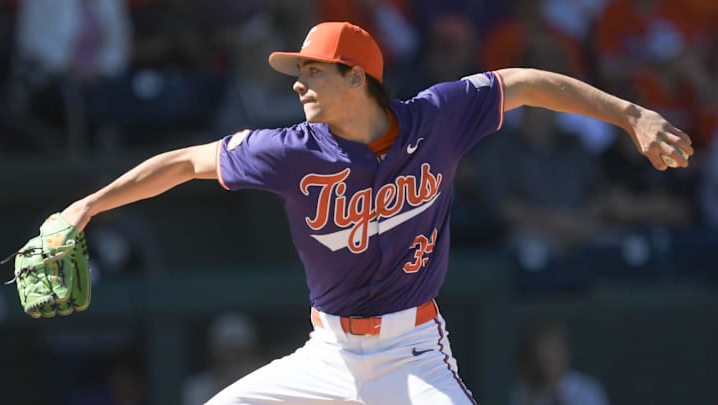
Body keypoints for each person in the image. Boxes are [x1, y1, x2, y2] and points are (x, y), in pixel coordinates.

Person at [59, 21, 693, 404]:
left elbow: (525, 81)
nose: (297, 83)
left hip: (411, 349)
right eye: (296, 72)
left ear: (356, 76)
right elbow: (183, 163)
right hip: (326, 349)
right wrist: (86, 207)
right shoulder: (289, 151)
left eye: (311, 71)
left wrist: (630, 114)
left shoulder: (437, 118)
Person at [510, 321, 610, 405]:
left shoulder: (587, 390)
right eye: (542, 351)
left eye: (554, 350)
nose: (548, 358)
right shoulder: (525, 390)